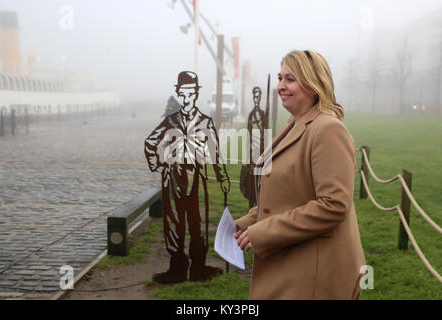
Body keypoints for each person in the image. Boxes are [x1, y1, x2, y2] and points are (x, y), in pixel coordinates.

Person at [234, 50, 366, 300]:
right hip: (294, 263)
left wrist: (263, 232)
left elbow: (333, 205)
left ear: (313, 85)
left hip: (314, 274)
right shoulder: (294, 124)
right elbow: (288, 194)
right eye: (280, 78)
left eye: (290, 79)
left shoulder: (327, 129)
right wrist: (247, 223)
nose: (281, 86)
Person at [145, 71, 230, 283]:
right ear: (177, 93)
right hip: (173, 178)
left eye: (190, 94)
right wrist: (159, 164)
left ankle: (199, 268)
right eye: (182, 94)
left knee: (197, 222)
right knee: (174, 222)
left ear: (196, 94)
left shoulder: (205, 122)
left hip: (197, 178)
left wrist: (222, 177)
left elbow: (215, 152)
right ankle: (177, 269)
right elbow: (150, 143)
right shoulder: (170, 121)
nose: (186, 99)